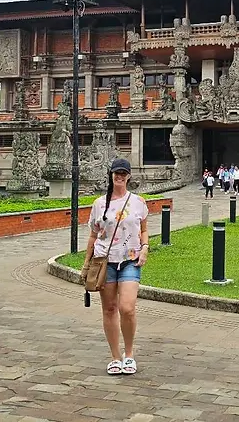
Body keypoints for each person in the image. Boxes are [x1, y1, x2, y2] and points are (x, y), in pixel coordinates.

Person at [81, 159, 150, 376]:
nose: (119, 177)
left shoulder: (138, 202)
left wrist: (145, 247)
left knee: (127, 308)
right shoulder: (99, 204)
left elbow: (144, 229)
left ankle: (129, 354)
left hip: (130, 259)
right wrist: (86, 264)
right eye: (116, 173)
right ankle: (115, 357)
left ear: (129, 176)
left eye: (123, 173)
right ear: (111, 175)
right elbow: (93, 235)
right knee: (109, 308)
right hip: (105, 261)